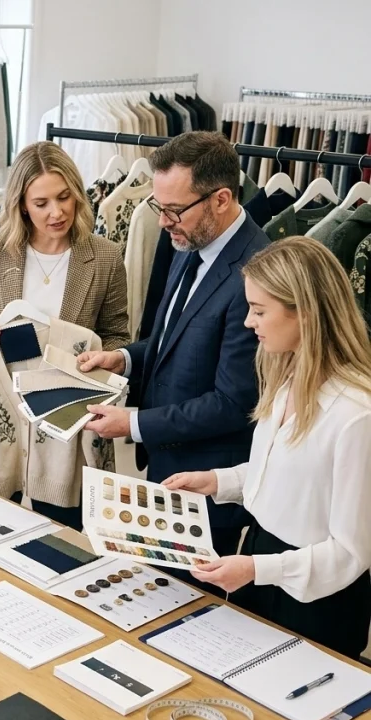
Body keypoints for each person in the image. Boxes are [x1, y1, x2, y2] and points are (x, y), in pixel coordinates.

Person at [164, 237, 371, 658]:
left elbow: (351, 553)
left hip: (317, 597)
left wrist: (259, 569)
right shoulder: (289, 375)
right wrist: (216, 481)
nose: (247, 322)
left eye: (259, 311)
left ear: (306, 314)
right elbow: (284, 473)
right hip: (259, 560)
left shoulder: (356, 416)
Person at [78, 132, 269, 582]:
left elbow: (234, 400)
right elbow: (174, 341)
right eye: (158, 209)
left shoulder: (256, 273)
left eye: (173, 210)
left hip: (210, 484)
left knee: (189, 615)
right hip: (168, 469)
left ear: (221, 199)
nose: (164, 222)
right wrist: (123, 358)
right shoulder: (191, 242)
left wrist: (133, 423)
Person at [0, 140, 130, 528]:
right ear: (21, 205)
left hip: (66, 420)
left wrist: (102, 361)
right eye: (42, 203)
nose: (57, 212)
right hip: (1, 416)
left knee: (64, 529)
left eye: (64, 197)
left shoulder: (104, 256)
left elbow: (117, 335)